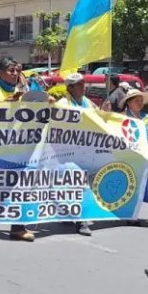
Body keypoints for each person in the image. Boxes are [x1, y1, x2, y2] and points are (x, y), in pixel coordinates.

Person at [0, 57, 36, 242]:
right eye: (11, 70)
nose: (15, 74)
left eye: (16, 70)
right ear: (1, 73)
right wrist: (5, 104)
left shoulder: (24, 90)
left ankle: (17, 228)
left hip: (20, 145)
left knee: (19, 185)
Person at [122, 88, 148, 224]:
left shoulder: (147, 118)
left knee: (140, 187)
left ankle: (132, 215)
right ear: (129, 103)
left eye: (141, 100)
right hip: (128, 158)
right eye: (136, 100)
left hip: (146, 158)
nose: (140, 103)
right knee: (128, 186)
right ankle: (128, 214)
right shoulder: (122, 118)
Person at [60, 72, 94, 236]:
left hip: (86, 151)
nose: (83, 87)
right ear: (70, 88)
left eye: (83, 83)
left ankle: (74, 215)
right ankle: (80, 220)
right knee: (76, 184)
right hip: (68, 152)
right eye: (79, 84)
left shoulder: (88, 103)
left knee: (82, 184)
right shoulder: (63, 104)